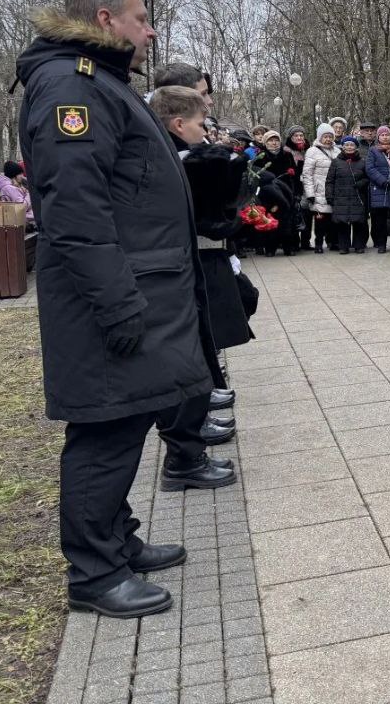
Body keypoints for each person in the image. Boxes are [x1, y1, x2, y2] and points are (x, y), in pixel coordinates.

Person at [16, 0, 222, 618]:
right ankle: (94, 573)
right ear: (105, 20)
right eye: (140, 18)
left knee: (126, 420)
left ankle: (116, 541)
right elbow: (75, 209)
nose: (150, 30)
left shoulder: (97, 80)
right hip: (108, 299)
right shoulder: (70, 86)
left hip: (133, 288)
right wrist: (117, 302)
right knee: (105, 429)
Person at [149, 84, 244, 483]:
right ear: (178, 123)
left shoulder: (178, 154)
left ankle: (191, 439)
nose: (206, 129)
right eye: (202, 121)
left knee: (200, 348)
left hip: (183, 263)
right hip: (174, 267)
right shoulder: (171, 158)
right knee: (185, 357)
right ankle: (183, 457)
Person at [326, 136, 370, 254]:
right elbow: (330, 181)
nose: (349, 147)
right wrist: (329, 196)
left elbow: (368, 178)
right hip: (341, 197)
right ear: (343, 147)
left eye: (352, 145)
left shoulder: (362, 162)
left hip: (358, 197)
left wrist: (362, 183)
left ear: (356, 147)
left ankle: (359, 245)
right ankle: (343, 246)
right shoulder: (336, 162)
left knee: (359, 222)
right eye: (346, 145)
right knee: (342, 222)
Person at [302, 123, 339, 253]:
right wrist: (310, 193)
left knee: (333, 219)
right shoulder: (312, 151)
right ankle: (318, 243)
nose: (328, 139)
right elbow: (307, 174)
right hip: (319, 191)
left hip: (334, 190)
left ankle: (333, 242)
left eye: (330, 136)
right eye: (325, 136)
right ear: (320, 137)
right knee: (320, 220)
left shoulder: (337, 151)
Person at [282, 126, 311, 249]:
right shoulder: (286, 151)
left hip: (307, 185)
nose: (299, 138)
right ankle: (294, 242)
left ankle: (306, 241)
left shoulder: (308, 149)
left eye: (301, 135)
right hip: (293, 186)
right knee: (295, 213)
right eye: (296, 136)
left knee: (307, 214)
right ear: (291, 137)